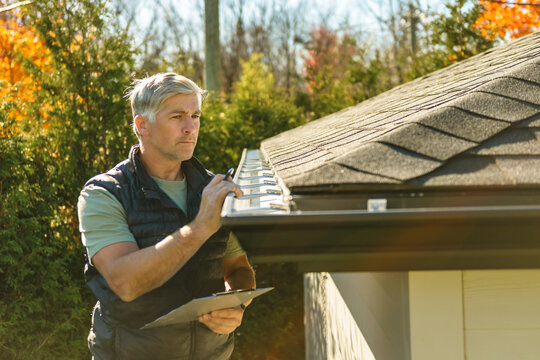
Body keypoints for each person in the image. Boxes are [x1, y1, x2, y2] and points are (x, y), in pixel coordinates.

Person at [77, 73, 256, 359]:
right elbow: (125, 283)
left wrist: (237, 306)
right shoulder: (104, 194)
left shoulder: (212, 190)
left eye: (195, 116)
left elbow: (238, 270)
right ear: (142, 125)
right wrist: (199, 228)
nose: (190, 127)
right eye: (177, 116)